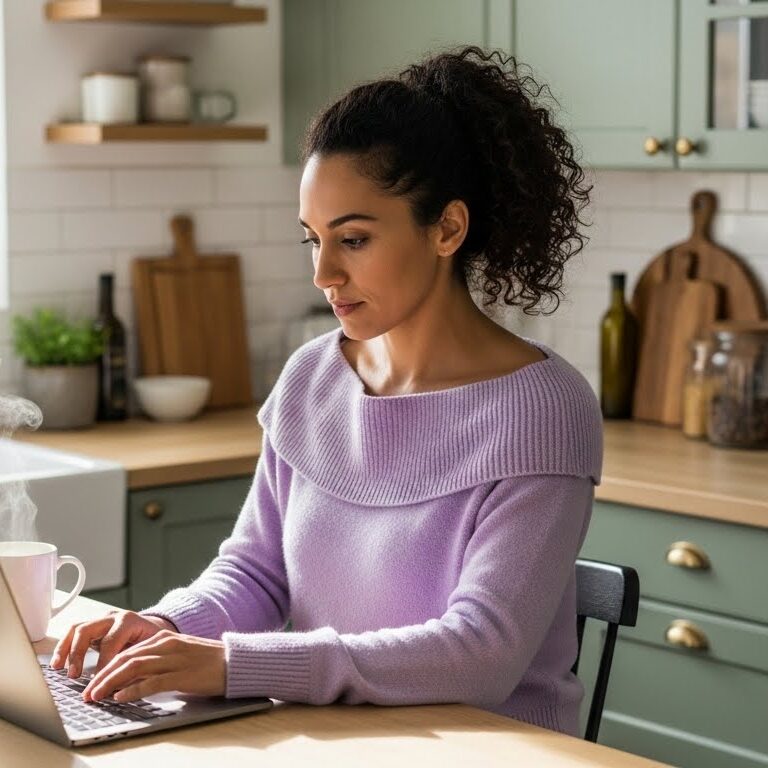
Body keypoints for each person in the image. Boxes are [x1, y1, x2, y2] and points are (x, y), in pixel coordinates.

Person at [52, 45, 601, 737]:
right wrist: (162, 627)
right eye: (313, 239)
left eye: (354, 239)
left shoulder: (544, 410)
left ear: (448, 229)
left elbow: (480, 653)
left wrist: (232, 664)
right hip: (341, 740)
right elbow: (255, 574)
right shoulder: (311, 377)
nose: (324, 273)